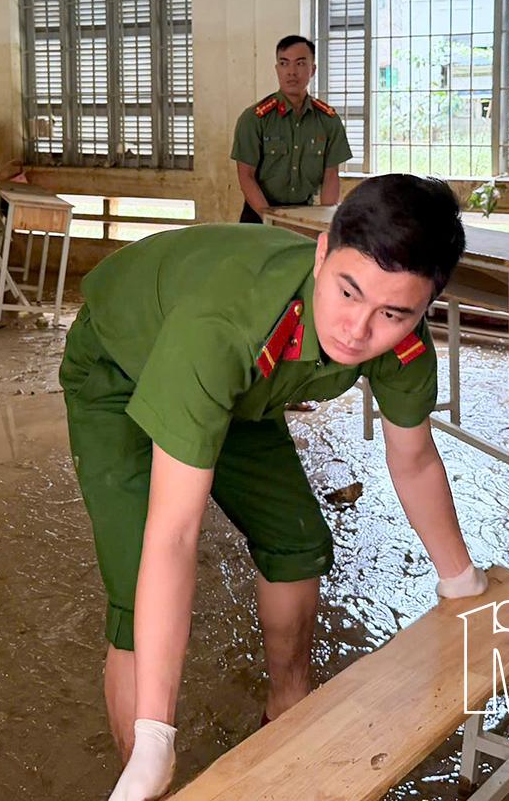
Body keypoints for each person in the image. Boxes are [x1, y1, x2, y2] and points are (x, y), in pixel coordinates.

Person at [60, 175, 487, 801]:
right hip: (125, 367)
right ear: (320, 254)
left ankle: (287, 708)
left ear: (425, 309)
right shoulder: (223, 327)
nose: (358, 329)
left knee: (297, 540)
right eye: (347, 291)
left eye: (393, 313)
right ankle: (143, 768)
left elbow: (416, 460)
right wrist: (159, 734)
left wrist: (460, 580)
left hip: (241, 391)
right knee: (136, 575)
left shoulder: (397, 345)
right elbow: (175, 533)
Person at [231, 35, 352, 223]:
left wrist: (325, 221)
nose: (292, 72)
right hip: (258, 213)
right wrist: (270, 218)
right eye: (284, 63)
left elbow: (331, 176)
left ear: (313, 70)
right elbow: (246, 176)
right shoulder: (255, 118)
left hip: (305, 214)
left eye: (300, 63)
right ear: (277, 69)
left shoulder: (328, 121)